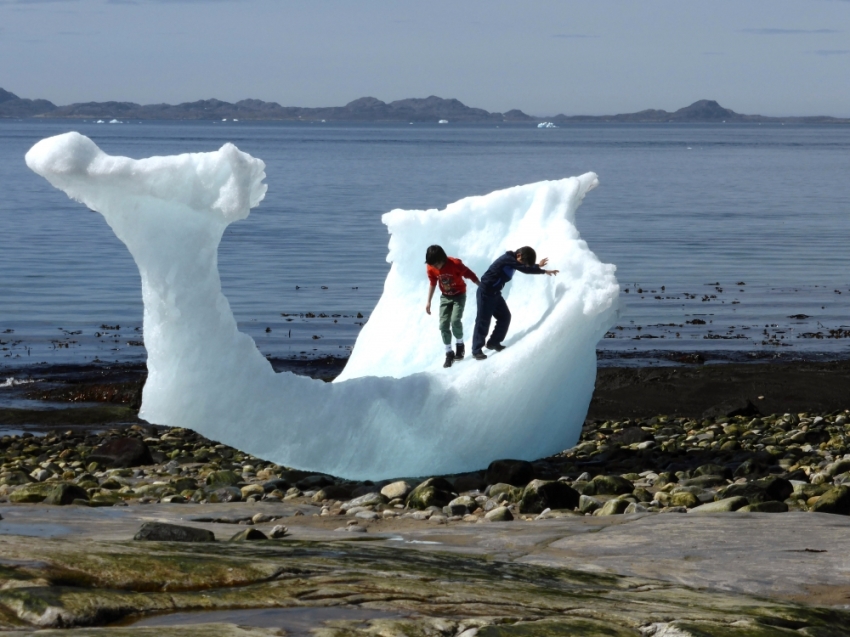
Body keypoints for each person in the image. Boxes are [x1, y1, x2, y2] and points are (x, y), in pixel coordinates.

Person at [471, 246, 559, 360]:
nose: (523, 264)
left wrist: (538, 265)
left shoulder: (514, 261)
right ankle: (476, 350)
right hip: (486, 293)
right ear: (518, 255)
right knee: (483, 321)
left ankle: (493, 342)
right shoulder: (507, 259)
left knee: (505, 317)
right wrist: (543, 271)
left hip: (495, 293)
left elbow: (523, 266)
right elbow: (525, 269)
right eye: (523, 261)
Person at [425, 245, 480, 368]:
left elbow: (469, 274)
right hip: (445, 297)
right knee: (443, 324)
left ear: (442, 259)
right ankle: (449, 353)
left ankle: (460, 345)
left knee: (455, 320)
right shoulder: (430, 267)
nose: (433, 267)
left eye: (436, 264)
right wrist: (428, 301)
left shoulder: (455, 264)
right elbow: (433, 283)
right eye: (431, 265)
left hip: (459, 295)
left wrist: (479, 284)